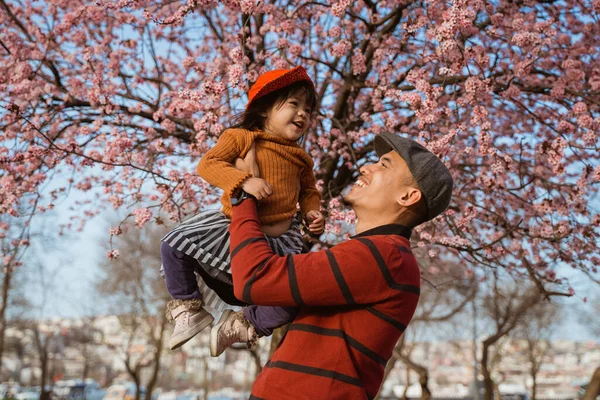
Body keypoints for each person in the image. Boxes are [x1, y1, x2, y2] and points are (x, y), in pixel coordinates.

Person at [225, 131, 454, 399]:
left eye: (383, 165)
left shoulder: (383, 257)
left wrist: (244, 196)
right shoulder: (376, 255)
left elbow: (255, 278)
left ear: (407, 196)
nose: (365, 167)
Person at [160, 66, 325, 355]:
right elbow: (208, 165)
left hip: (280, 241)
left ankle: (242, 325)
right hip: (231, 227)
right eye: (294, 105)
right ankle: (189, 307)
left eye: (308, 110)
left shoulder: (301, 158)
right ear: (264, 110)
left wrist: (312, 213)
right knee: (174, 244)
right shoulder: (241, 138)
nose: (302, 114)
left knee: (293, 296)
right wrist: (244, 181)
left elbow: (310, 191)